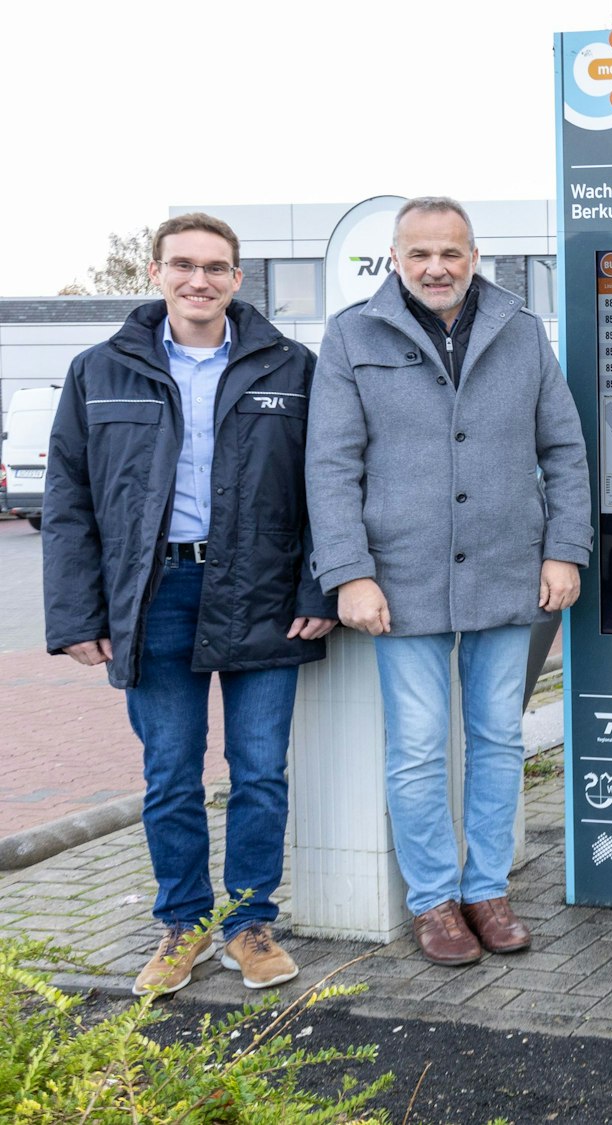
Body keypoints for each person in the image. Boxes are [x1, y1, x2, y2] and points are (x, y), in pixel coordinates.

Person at [42, 212, 337, 995]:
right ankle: (183, 923)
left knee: (260, 770)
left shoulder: (291, 367)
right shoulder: (99, 371)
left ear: (237, 278)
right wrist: (77, 616)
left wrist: (320, 585)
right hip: (155, 594)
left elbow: (327, 484)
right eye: (183, 265)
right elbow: (69, 500)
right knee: (170, 772)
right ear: (156, 272)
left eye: (214, 267)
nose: (198, 280)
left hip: (264, 591)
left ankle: (249, 923)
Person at [307, 197, 591, 967]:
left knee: (498, 738)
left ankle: (486, 890)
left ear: (474, 257)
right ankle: (434, 900)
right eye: (421, 253)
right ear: (396, 259)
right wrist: (350, 572)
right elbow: (330, 465)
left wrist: (564, 549)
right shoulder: (351, 335)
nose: (437, 267)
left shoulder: (521, 331)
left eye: (451, 253)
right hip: (401, 579)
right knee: (418, 745)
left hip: (506, 568)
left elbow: (564, 448)